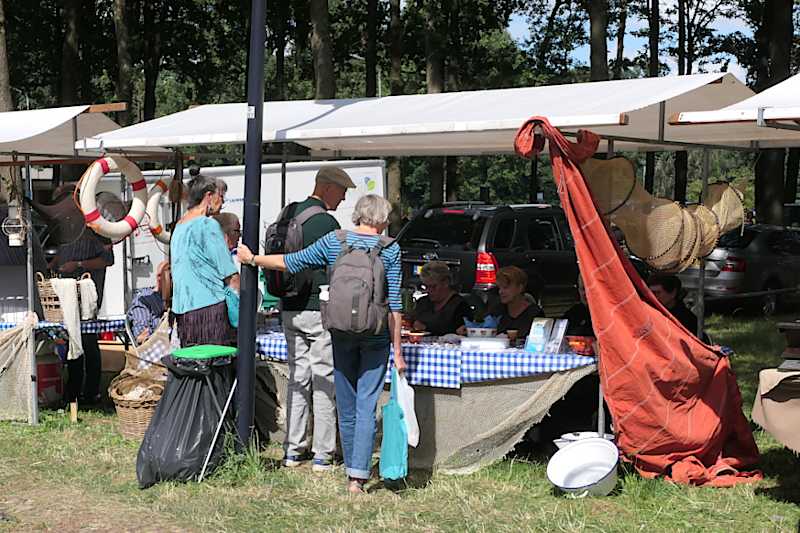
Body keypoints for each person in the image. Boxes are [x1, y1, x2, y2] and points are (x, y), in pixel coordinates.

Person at [238, 194, 406, 494]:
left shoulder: (335, 242)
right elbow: (394, 304)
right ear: (382, 220)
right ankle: (358, 476)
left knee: (346, 401)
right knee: (367, 403)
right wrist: (398, 350)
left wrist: (253, 259)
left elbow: (291, 262)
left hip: (340, 332)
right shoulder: (390, 249)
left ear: (357, 215)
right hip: (376, 335)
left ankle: (347, 464)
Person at [268, 166, 355, 472]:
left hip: (289, 308)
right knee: (323, 379)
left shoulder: (287, 213)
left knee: (297, 379)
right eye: (342, 191)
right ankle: (323, 453)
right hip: (318, 311)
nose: (343, 198)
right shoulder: (325, 222)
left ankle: (293, 449)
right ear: (328, 188)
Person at [50, 217, 115, 405]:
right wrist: (53, 263)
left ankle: (91, 391)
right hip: (68, 295)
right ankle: (74, 391)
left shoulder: (99, 230)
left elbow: (107, 260)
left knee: (87, 340)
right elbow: (63, 253)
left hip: (87, 296)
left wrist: (78, 265)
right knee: (72, 338)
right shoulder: (67, 231)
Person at [170, 174, 238, 347]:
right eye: (220, 197)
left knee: (193, 367)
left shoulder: (179, 226)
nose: (222, 203)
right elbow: (230, 275)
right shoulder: (207, 225)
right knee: (216, 368)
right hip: (210, 311)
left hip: (184, 312)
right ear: (209, 196)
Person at [410, 261, 472, 336]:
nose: (429, 290)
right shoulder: (422, 302)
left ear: (446, 282)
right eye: (426, 287)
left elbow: (459, 331)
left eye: (433, 287)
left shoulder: (460, 306)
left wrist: (426, 327)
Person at [647, 273, 709, 342]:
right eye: (651, 293)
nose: (654, 296)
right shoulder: (649, 311)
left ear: (673, 293)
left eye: (658, 293)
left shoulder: (687, 320)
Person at [489, 266, 543, 337]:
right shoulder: (497, 312)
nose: (500, 292)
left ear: (520, 288)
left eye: (505, 287)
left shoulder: (535, 314)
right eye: (499, 287)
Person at [127, 261, 170, 344]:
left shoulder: (180, 298)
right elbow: (141, 337)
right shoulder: (144, 299)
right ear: (159, 278)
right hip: (158, 348)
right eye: (170, 278)